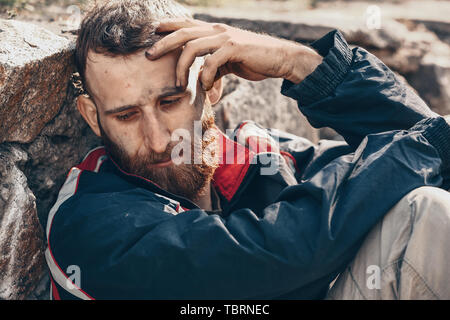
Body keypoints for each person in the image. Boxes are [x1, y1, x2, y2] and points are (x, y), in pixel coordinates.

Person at [45, 0, 450, 300]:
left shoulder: (261, 156)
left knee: (426, 207)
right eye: (126, 115)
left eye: (170, 102)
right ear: (93, 117)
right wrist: (430, 143)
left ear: (213, 84)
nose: (157, 139)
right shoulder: (88, 221)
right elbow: (273, 255)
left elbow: (437, 160)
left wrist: (303, 64)